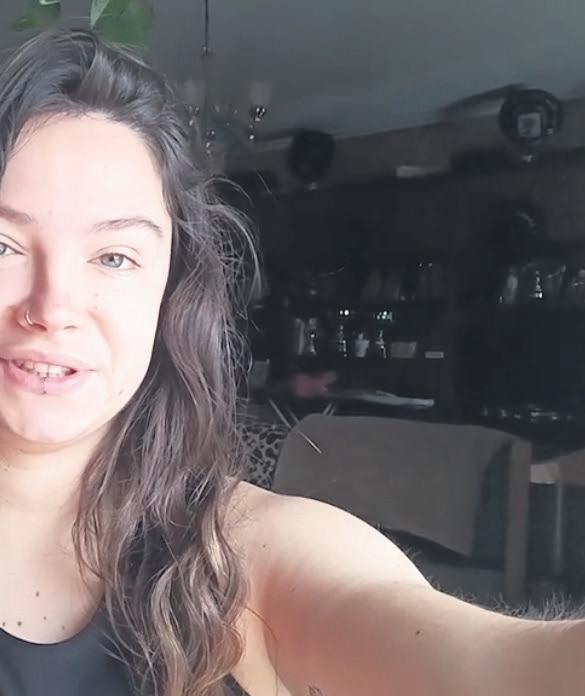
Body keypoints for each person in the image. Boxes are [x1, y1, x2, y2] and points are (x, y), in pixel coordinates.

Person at [0, 28, 584, 696]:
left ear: (169, 295)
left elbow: (483, 667)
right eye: (3, 245)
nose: (52, 308)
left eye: (113, 257)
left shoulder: (237, 553)